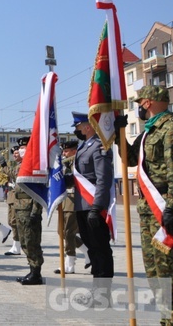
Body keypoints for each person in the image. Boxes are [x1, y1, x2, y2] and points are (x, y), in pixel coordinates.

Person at [124, 85, 173, 325]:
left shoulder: (171, 128)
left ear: (147, 103)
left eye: (139, 103)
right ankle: (166, 320)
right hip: (148, 211)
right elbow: (131, 160)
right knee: (155, 275)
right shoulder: (148, 132)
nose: (138, 108)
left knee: (170, 274)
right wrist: (118, 135)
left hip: (165, 209)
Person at [71, 112, 114, 282]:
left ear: (87, 127)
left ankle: (103, 292)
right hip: (82, 205)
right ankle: (97, 289)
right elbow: (80, 177)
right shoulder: (83, 147)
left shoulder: (98, 146)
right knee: (92, 248)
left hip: (92, 206)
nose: (77, 130)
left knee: (100, 248)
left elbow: (103, 179)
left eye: (78, 126)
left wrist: (97, 207)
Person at [14, 136, 45, 285]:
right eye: (20, 148)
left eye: (24, 147)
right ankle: (32, 270)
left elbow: (39, 190)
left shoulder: (35, 166)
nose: (20, 150)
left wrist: (35, 211)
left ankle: (36, 273)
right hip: (19, 208)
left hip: (29, 209)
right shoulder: (23, 165)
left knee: (32, 241)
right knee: (24, 242)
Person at [54, 139, 88, 274]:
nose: (64, 153)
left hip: (74, 200)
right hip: (64, 201)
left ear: (75, 151)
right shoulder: (65, 163)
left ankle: (69, 263)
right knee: (61, 232)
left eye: (67, 151)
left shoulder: (78, 163)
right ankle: (87, 250)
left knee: (68, 232)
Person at [3, 145, 22, 256]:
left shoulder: (22, 165)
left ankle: (17, 246)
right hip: (12, 194)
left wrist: (4, 167)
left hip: (18, 196)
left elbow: (15, 175)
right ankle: (16, 244)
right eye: (14, 153)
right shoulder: (16, 165)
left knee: (14, 221)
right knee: (11, 221)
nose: (15, 155)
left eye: (17, 153)